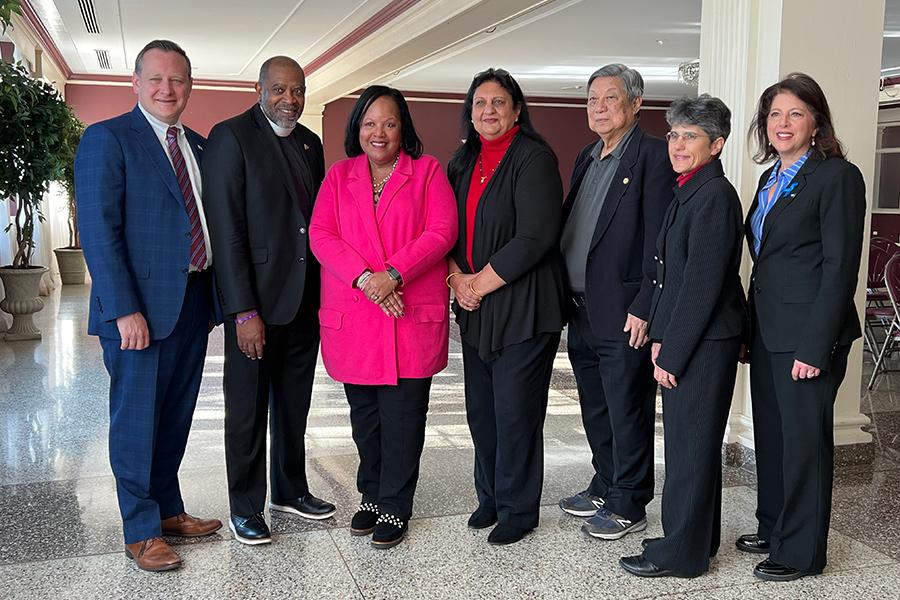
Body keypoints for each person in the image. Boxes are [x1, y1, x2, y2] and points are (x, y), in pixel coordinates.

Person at [75, 39, 222, 572]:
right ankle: (139, 529)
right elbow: (99, 232)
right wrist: (122, 309)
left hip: (193, 303)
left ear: (190, 85)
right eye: (156, 79)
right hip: (137, 312)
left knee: (175, 417)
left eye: (178, 79)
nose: (167, 89)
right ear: (135, 83)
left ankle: (167, 511)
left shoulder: (201, 147)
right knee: (136, 421)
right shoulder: (108, 139)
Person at [309, 86, 457, 549]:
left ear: (403, 129)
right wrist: (366, 279)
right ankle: (370, 495)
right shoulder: (339, 176)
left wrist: (393, 274)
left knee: (404, 418)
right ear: (357, 128)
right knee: (365, 419)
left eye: (389, 123)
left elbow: (442, 230)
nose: (379, 132)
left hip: (408, 315)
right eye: (369, 123)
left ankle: (395, 503)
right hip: (356, 315)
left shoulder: (427, 171)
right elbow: (321, 234)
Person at [202, 56, 334, 545]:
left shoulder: (310, 142)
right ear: (260, 90)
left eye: (297, 91)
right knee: (246, 409)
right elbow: (227, 230)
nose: (290, 99)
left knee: (294, 404)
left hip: (303, 301)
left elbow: (313, 224)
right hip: (255, 306)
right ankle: (245, 506)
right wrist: (244, 311)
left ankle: (290, 490)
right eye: (279, 89)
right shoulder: (230, 136)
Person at [739, 72, 865, 582]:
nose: (783, 123)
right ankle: (774, 527)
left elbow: (840, 268)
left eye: (795, 113)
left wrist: (815, 345)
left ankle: (802, 552)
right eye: (774, 114)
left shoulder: (837, 176)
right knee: (772, 436)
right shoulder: (771, 179)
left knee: (804, 443)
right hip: (769, 331)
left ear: (816, 121)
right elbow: (768, 262)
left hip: (811, 335)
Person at [618, 95, 746, 578]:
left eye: (689, 135)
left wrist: (672, 351)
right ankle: (697, 540)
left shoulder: (714, 196)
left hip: (705, 342)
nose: (677, 144)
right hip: (693, 338)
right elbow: (670, 274)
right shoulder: (690, 189)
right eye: (673, 134)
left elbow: (701, 285)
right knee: (692, 446)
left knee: (690, 450)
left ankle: (681, 554)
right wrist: (658, 333)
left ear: (716, 144)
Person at [447, 68, 565, 546]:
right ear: (470, 112)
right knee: (482, 412)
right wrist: (457, 279)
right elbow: (445, 229)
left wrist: (478, 282)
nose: (488, 111)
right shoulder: (462, 160)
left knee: (516, 413)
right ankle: (490, 498)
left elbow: (535, 237)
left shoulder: (534, 157)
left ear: (516, 109)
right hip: (474, 305)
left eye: (498, 102)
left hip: (524, 305)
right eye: (480, 103)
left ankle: (519, 510)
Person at [557, 63, 674, 540]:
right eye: (592, 100)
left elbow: (661, 240)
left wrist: (646, 304)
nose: (599, 108)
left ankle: (630, 500)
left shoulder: (652, 156)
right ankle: (605, 482)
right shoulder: (588, 155)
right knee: (595, 405)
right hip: (582, 308)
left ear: (636, 104)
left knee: (627, 406)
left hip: (625, 310)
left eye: (609, 98)